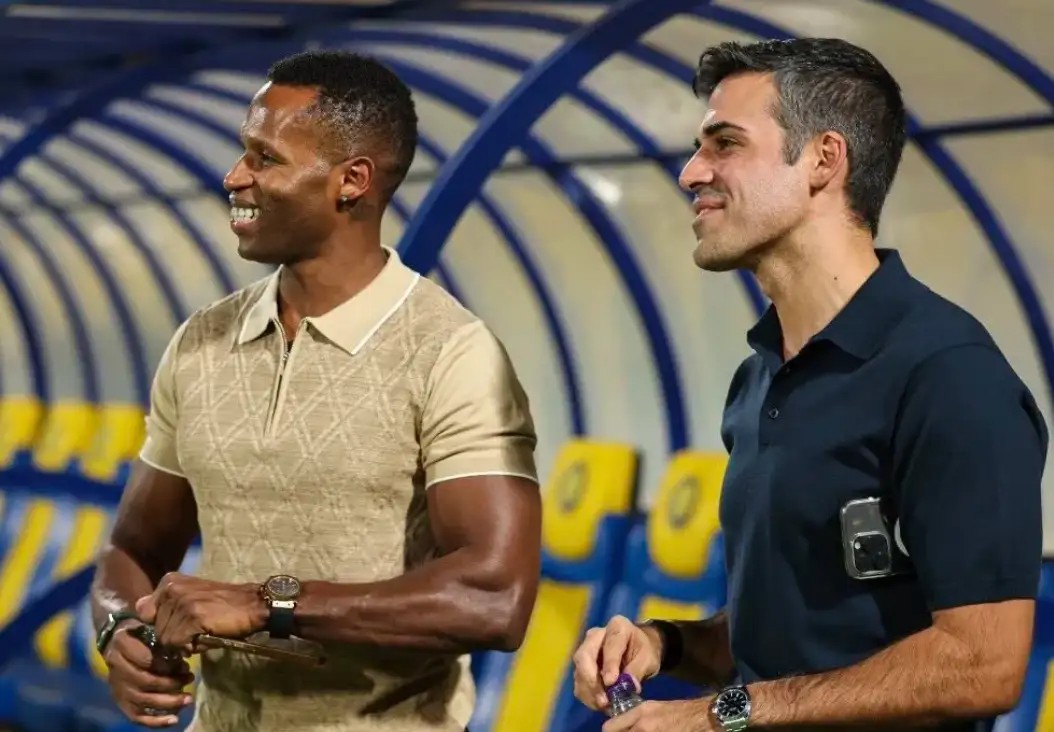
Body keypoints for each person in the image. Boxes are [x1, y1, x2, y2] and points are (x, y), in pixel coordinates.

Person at [572, 37, 1048, 732]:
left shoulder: (947, 373)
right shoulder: (759, 376)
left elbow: (983, 665)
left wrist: (719, 717)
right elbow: (790, 648)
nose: (691, 172)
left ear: (824, 160)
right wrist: (663, 643)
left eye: (725, 144)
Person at [90, 50, 542, 731]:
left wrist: (268, 604)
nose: (234, 176)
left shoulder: (450, 352)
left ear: (351, 181)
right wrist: (121, 628)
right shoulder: (200, 341)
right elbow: (132, 551)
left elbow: (494, 598)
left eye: (265, 158)